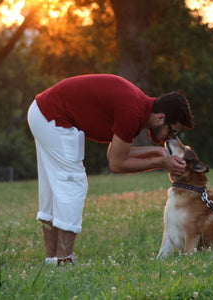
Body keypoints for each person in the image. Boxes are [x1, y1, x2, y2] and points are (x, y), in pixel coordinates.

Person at [27, 74, 194, 265]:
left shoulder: (137, 106)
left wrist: (156, 152)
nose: (168, 137)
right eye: (171, 131)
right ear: (161, 117)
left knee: (53, 187)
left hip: (42, 112)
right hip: (53, 116)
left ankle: (53, 259)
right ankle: (64, 260)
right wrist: (160, 163)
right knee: (73, 183)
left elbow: (113, 154)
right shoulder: (132, 112)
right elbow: (116, 164)